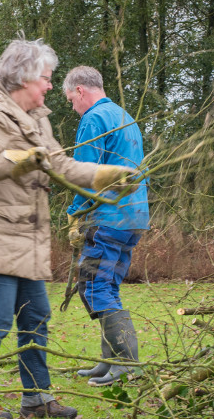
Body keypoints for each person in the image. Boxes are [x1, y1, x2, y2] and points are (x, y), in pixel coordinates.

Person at [0, 38, 136, 419]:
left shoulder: (37, 119)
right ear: (23, 78)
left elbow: (62, 166)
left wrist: (105, 175)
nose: (51, 86)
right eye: (46, 79)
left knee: (36, 316)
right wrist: (14, 160)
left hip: (24, 239)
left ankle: (36, 399)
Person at [63, 66, 150, 386]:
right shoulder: (125, 117)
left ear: (81, 91)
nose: (72, 106)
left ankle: (125, 363)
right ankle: (110, 360)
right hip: (133, 217)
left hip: (108, 218)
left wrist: (76, 214)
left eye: (71, 99)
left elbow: (86, 174)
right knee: (104, 287)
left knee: (94, 286)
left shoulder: (94, 119)